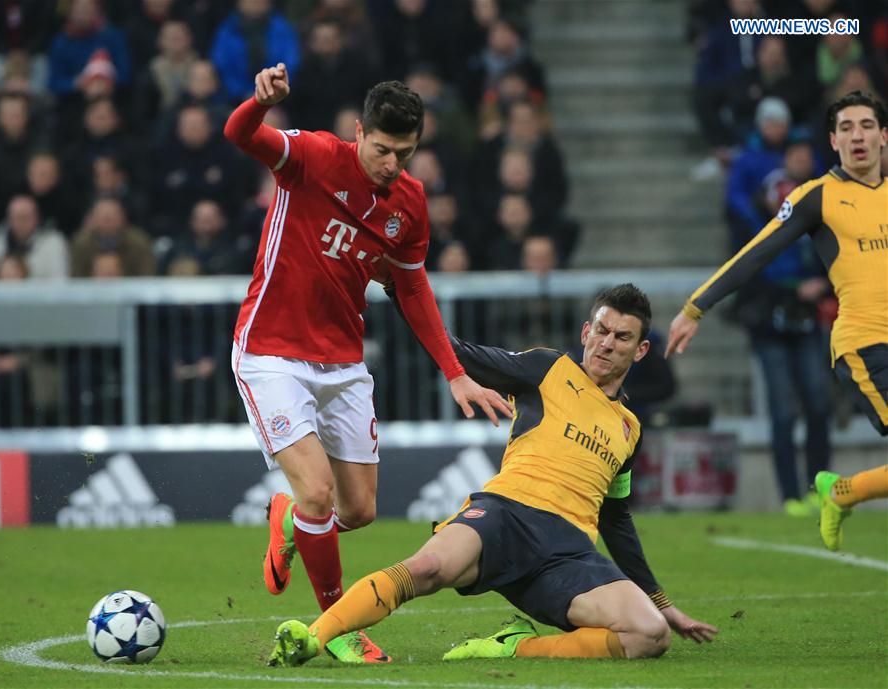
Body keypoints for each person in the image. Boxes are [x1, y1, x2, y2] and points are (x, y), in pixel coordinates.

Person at [223, 63, 512, 664]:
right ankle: (339, 627)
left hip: (343, 363)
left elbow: (412, 286)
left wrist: (455, 371)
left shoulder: (410, 202)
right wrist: (260, 103)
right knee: (318, 493)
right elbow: (239, 135)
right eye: (382, 149)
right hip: (271, 352)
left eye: (404, 153)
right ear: (359, 132)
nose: (391, 164)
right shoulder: (311, 157)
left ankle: (289, 522)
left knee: (357, 510)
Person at [266, 284, 718, 668]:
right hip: (505, 515)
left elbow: (616, 519)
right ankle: (313, 638)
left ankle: (515, 647)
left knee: (649, 635)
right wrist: (401, 290)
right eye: (601, 331)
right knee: (426, 569)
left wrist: (661, 603)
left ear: (640, 350)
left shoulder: (630, 429)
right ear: (586, 332)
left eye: (622, 337)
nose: (607, 343)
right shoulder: (547, 370)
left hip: (568, 554)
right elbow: (458, 352)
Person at [666, 91, 888, 551]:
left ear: (883, 136)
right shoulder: (817, 197)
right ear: (833, 141)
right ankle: (839, 493)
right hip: (866, 344)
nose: (857, 136)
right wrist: (695, 306)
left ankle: (842, 492)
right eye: (846, 128)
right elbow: (757, 251)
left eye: (866, 126)